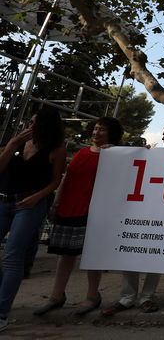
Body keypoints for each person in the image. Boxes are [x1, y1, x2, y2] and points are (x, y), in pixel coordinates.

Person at [34, 116, 123, 317]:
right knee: (65, 254)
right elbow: (67, 179)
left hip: (95, 210)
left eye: (102, 130)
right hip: (69, 207)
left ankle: (92, 295)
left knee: (93, 255)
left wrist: (117, 153)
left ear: (111, 134)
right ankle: (56, 295)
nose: (96, 133)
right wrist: (56, 203)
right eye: (95, 129)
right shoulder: (81, 153)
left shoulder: (116, 155)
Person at [102, 122, 164, 317]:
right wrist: (116, 152)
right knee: (132, 251)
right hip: (145, 210)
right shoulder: (153, 154)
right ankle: (127, 297)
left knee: (154, 256)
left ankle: (147, 297)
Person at [0, 107, 67, 331]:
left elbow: (55, 182)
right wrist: (12, 145)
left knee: (12, 255)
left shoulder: (56, 149)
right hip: (4, 201)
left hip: (29, 205)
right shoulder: (18, 143)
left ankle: (1, 312)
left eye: (34, 123)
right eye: (29, 122)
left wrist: (37, 198)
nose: (29, 127)